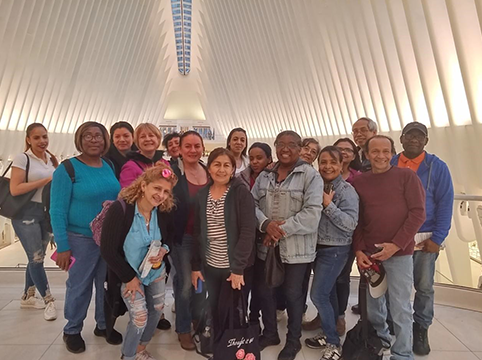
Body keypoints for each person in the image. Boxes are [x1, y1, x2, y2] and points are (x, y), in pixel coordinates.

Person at [50, 121, 122, 354]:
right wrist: (63, 246)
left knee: (105, 284)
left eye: (98, 136)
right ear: (79, 140)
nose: (94, 140)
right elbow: (57, 210)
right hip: (80, 239)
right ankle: (72, 329)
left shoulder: (108, 164)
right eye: (88, 136)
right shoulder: (67, 169)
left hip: (107, 239)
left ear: (105, 140)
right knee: (79, 286)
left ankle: (103, 324)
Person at [251, 130, 323, 360]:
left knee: (293, 295)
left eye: (291, 144)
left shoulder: (310, 176)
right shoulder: (265, 175)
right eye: (280, 144)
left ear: (300, 148)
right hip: (267, 246)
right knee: (265, 291)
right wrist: (265, 225)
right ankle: (270, 333)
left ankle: (293, 340)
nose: (285, 148)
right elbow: (250, 204)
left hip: (297, 250)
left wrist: (278, 230)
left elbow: (312, 214)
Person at [353, 135, 426, 360]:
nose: (381, 156)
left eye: (386, 151)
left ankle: (403, 353)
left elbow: (418, 213)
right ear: (366, 154)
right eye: (375, 151)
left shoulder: (407, 177)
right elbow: (358, 220)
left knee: (401, 306)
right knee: (374, 305)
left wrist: (395, 245)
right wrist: (358, 250)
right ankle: (380, 341)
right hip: (371, 254)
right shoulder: (359, 182)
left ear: (392, 153)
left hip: (400, 253)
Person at [101, 164, 177, 360]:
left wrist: (164, 250)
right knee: (140, 318)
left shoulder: (164, 211)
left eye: (166, 191)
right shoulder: (121, 209)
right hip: (129, 273)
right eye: (157, 188)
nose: (161, 195)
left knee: (156, 310)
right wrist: (129, 278)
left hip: (155, 272)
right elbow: (107, 250)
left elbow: (170, 238)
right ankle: (127, 355)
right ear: (143, 186)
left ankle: (140, 348)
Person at [391, 122, 454, 355]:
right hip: (395, 237)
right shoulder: (390, 163)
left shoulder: (437, 167)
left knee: (424, 286)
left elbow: (446, 204)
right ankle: (396, 325)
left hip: (424, 238)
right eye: (410, 135)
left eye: (420, 136)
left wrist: (437, 238)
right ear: (401, 138)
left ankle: (421, 328)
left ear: (426, 141)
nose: (414, 140)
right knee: (396, 286)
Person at [191, 148, 256, 343]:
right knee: (215, 306)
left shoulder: (240, 193)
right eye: (217, 164)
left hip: (234, 267)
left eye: (226, 165)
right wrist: (196, 266)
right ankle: (220, 345)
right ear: (209, 168)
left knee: (233, 311)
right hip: (211, 265)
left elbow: (247, 231)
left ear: (233, 169)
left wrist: (238, 268)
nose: (221, 169)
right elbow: (197, 232)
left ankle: (234, 348)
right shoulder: (202, 194)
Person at [304, 146, 359, 360]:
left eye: (332, 162)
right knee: (330, 293)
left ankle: (334, 343)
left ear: (341, 164)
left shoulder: (347, 191)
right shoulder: (315, 186)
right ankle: (330, 333)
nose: (327, 166)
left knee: (318, 294)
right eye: (323, 162)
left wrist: (328, 205)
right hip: (316, 248)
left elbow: (350, 224)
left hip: (335, 250)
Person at [9, 123, 58, 321]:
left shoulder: (51, 159)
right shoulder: (23, 158)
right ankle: (49, 300)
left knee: (36, 258)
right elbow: (15, 189)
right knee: (36, 258)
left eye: (44, 137)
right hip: (25, 214)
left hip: (44, 213)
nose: (42, 141)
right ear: (28, 139)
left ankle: (27, 296)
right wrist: (45, 181)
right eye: (37, 138)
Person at [170, 130, 209, 351]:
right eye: (188, 146)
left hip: (205, 238)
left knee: (200, 282)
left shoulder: (208, 171)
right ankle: (183, 328)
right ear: (180, 149)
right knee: (185, 284)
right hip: (183, 237)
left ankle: (197, 319)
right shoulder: (173, 173)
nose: (193, 150)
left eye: (197, 146)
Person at [120, 123, 168, 188]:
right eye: (143, 136)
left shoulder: (165, 164)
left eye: (151, 135)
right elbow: (126, 194)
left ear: (158, 139)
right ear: (137, 141)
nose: (147, 139)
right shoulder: (130, 167)